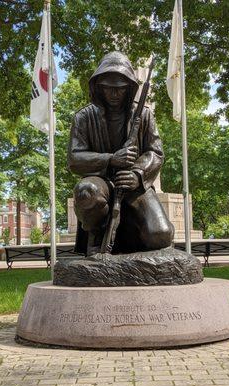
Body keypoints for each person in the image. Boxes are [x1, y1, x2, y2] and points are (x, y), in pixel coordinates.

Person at [68, 51, 174, 255]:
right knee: (86, 191)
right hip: (101, 182)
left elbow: (155, 151)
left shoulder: (143, 114)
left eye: (120, 89)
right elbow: (74, 158)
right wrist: (110, 159)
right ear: (98, 87)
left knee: (160, 235)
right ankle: (95, 240)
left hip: (134, 183)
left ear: (129, 88)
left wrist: (138, 174)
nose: (114, 94)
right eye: (108, 88)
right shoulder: (83, 117)